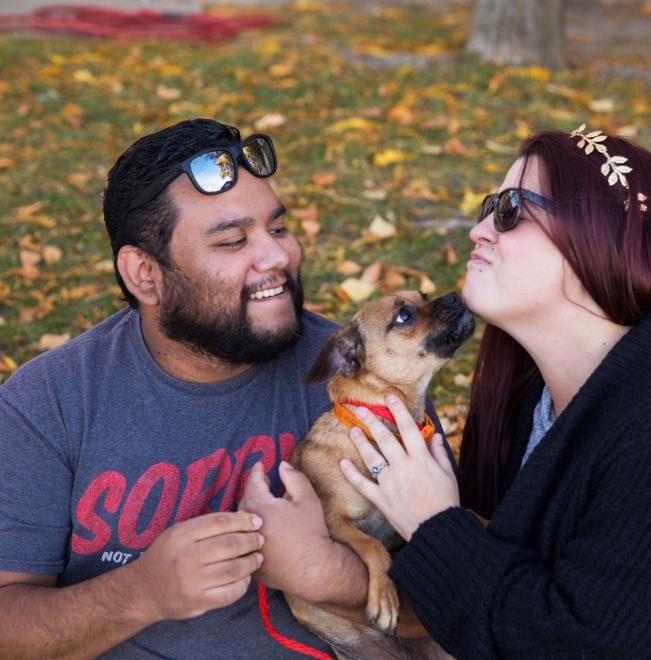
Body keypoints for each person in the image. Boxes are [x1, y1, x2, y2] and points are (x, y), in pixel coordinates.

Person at [339, 125, 651, 658]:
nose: (479, 230)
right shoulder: (540, 395)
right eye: (490, 206)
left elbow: (569, 645)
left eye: (510, 210)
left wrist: (432, 524)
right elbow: (516, 582)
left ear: (596, 239)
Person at [0, 118, 391, 658]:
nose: (277, 257)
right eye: (232, 241)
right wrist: (142, 593)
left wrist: (328, 576)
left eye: (277, 229)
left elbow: (469, 605)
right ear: (144, 275)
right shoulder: (49, 403)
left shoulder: (363, 374)